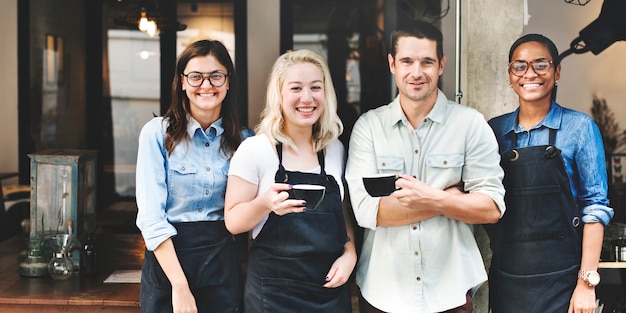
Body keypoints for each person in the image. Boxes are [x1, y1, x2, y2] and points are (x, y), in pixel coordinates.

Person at [345, 20, 506, 313]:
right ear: (392, 64)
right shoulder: (369, 127)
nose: (416, 72)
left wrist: (432, 198)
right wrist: (451, 199)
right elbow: (367, 211)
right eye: (407, 61)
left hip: (450, 293)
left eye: (427, 62)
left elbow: (491, 208)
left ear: (441, 65)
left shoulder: (470, 125)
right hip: (383, 292)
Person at [486, 34, 613, 313]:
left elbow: (595, 208)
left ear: (556, 72)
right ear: (510, 74)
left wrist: (586, 284)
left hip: (564, 280)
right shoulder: (494, 132)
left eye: (540, 65)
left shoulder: (580, 128)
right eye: (520, 66)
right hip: (507, 278)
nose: (530, 73)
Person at [224, 49, 356, 312]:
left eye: (315, 88)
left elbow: (340, 212)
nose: (306, 98)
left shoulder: (335, 149)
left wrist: (350, 253)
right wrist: (264, 203)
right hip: (273, 294)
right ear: (279, 95)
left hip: (327, 290)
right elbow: (233, 222)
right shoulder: (256, 149)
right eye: (296, 88)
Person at [135, 39, 252, 313]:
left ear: (228, 82)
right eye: (196, 76)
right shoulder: (156, 134)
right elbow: (151, 217)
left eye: (216, 76)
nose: (206, 85)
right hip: (167, 268)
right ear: (183, 82)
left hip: (222, 267)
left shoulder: (246, 142)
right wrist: (179, 285)